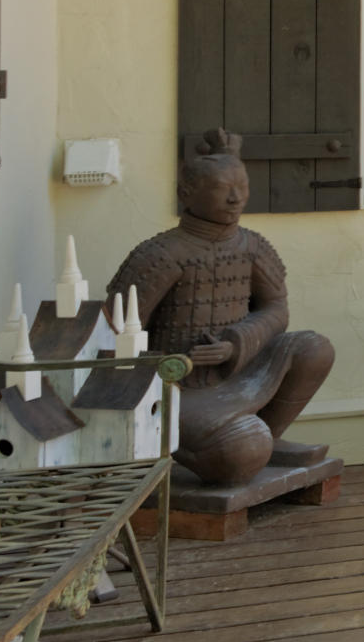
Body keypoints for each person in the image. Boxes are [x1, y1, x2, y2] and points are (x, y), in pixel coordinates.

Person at [107, 130, 335, 486]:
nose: (235, 198)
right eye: (222, 188)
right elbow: (114, 333)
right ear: (186, 193)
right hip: (179, 391)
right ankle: (202, 446)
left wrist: (235, 344)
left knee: (314, 348)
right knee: (241, 454)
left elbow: (276, 310)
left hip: (238, 374)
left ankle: (267, 437)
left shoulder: (253, 246)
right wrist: (165, 373)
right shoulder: (160, 254)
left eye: (242, 186)